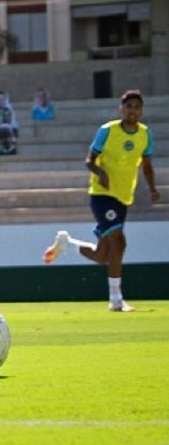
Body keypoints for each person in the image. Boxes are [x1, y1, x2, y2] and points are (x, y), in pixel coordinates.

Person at [43, 89, 159, 312]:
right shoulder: (107, 131)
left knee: (103, 255)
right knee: (120, 242)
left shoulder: (146, 134)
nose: (133, 111)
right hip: (102, 194)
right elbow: (89, 161)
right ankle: (116, 300)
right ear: (121, 109)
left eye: (137, 107)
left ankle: (67, 244)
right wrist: (100, 172)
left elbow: (147, 165)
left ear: (142, 110)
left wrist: (153, 188)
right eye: (129, 106)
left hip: (124, 197)